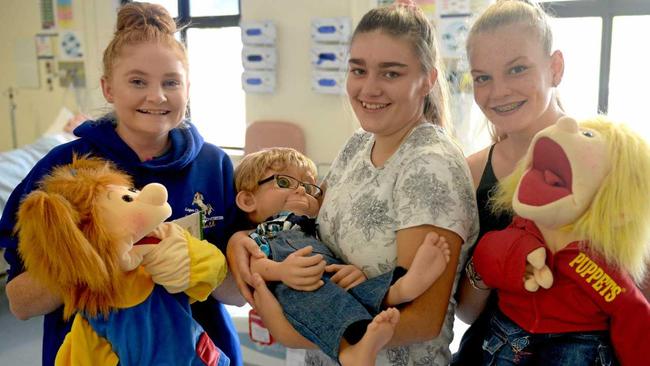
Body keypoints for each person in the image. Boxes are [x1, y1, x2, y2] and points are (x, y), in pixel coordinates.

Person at [228, 2, 479, 365]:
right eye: (358, 70)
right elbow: (303, 218)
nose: (369, 88)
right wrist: (242, 240)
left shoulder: (429, 165)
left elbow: (423, 320)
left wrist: (285, 329)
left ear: (427, 79)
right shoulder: (358, 145)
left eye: (391, 74)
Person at [0, 3, 243, 365]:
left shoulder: (213, 165)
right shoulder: (62, 170)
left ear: (188, 88)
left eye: (171, 82)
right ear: (108, 88)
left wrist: (202, 266)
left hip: (198, 354)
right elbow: (21, 302)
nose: (156, 96)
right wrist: (94, 258)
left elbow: (237, 294)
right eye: (137, 81)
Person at [234, 147, 451, 365]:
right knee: (321, 304)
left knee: (351, 293)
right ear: (248, 201)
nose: (301, 191)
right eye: (284, 182)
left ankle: (401, 288)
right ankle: (351, 350)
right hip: (295, 288)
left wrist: (351, 270)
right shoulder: (264, 232)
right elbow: (255, 268)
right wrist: (282, 271)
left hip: (330, 276)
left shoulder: (314, 226)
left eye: (308, 188)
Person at [452, 1, 566, 364]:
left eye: (517, 69)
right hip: (488, 353)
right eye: (483, 77)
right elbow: (466, 313)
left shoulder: (612, 159)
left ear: (555, 68)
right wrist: (485, 266)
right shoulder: (469, 172)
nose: (498, 91)